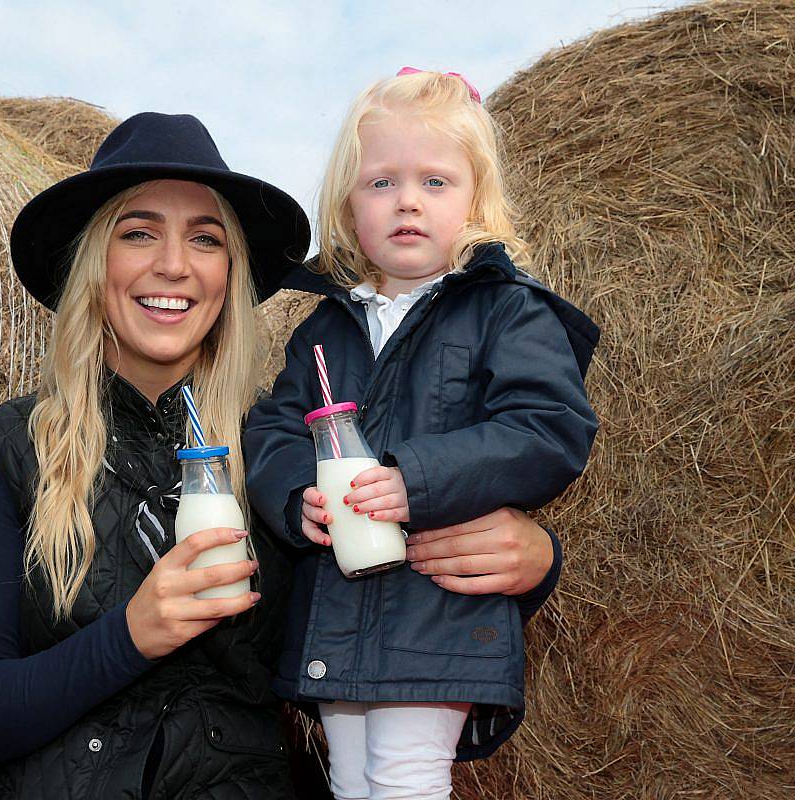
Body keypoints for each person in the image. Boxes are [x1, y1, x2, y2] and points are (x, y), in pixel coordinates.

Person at [0, 112, 567, 800]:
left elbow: (374, 621)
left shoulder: (282, 453)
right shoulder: (13, 445)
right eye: (138, 232)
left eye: (205, 239)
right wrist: (134, 635)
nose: (173, 264)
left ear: (229, 273)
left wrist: (532, 565)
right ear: (93, 264)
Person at [243, 69, 599, 800]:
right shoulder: (323, 330)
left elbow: (549, 426)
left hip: (440, 606)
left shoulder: (507, 311)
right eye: (381, 183)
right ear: (348, 207)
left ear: (475, 202)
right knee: (349, 782)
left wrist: (417, 477)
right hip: (336, 613)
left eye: (435, 182)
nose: (407, 200)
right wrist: (295, 495)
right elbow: (273, 428)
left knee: (405, 778)